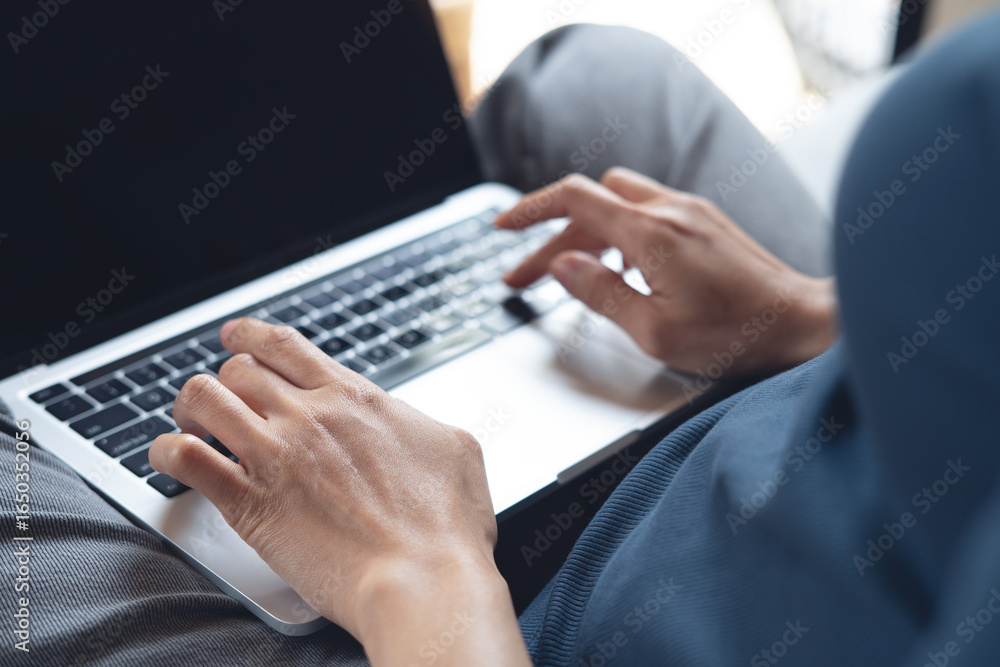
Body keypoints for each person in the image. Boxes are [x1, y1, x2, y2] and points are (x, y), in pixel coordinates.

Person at [3, 12, 1000, 667]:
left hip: (504, 631)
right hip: (796, 428)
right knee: (592, 77)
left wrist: (418, 575)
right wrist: (814, 322)